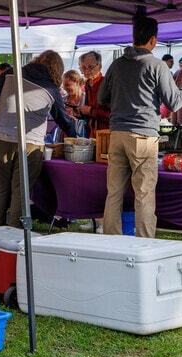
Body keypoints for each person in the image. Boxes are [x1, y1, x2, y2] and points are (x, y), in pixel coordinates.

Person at [98, 17, 182, 238]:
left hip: (117, 134)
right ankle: (145, 244)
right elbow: (173, 103)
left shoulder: (116, 64)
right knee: (144, 193)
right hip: (143, 136)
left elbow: (101, 96)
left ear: (133, 38)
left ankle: (110, 242)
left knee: (114, 192)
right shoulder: (157, 65)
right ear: (154, 39)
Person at [0, 50, 77, 228]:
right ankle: (15, 236)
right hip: (31, 145)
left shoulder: (10, 73)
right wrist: (76, 139)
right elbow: (64, 120)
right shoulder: (52, 89)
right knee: (21, 192)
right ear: (57, 70)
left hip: (1, 139)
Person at [75, 50, 111, 234]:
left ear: (100, 66)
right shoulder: (87, 85)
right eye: (83, 68)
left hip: (107, 138)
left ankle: (104, 222)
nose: (87, 71)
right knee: (93, 182)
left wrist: (90, 111)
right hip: (93, 134)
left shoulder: (106, 84)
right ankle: (94, 219)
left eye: (90, 67)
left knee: (105, 182)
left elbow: (112, 114)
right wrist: (81, 112)